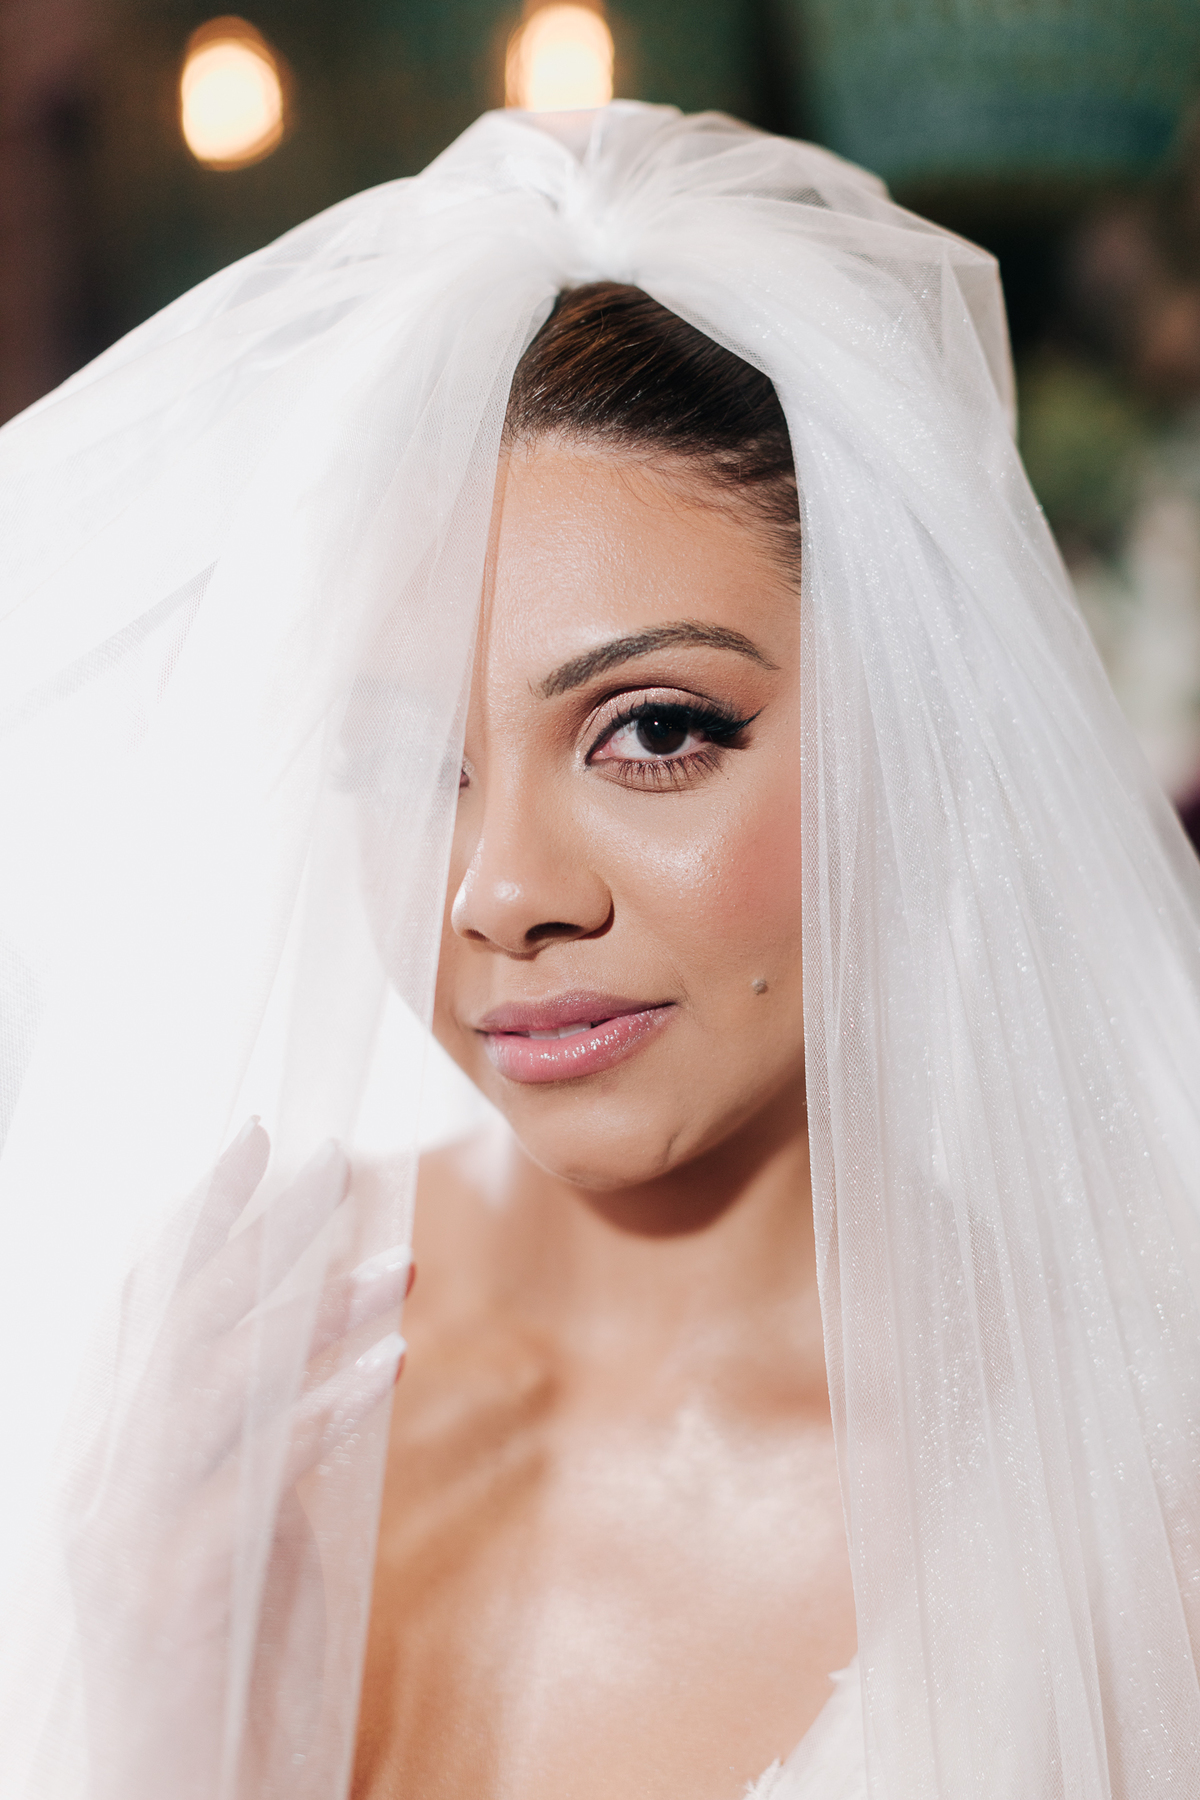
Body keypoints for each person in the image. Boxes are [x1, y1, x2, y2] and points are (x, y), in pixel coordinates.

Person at [2, 101, 1200, 1800]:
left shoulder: (1138, 1489)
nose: (502, 891)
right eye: (408, 760)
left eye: (653, 730)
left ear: (911, 721)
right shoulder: (188, 1410)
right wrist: (166, 1725)